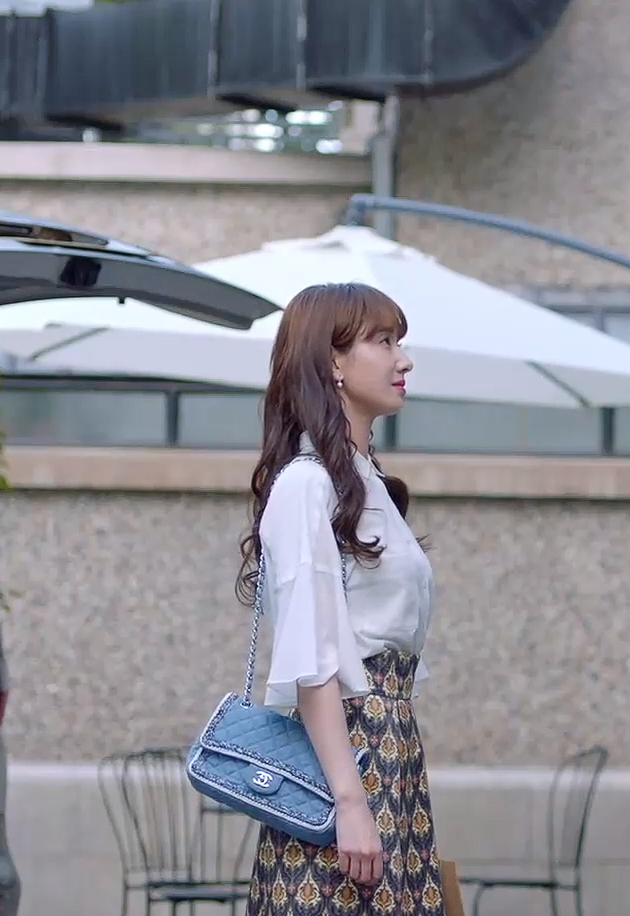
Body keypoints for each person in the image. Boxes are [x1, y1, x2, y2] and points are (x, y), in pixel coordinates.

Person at [236, 281, 443, 916]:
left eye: (399, 341)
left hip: (390, 752)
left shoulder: (363, 480)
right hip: (345, 760)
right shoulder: (307, 484)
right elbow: (313, 661)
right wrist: (350, 802)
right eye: (383, 341)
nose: (404, 359)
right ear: (333, 362)